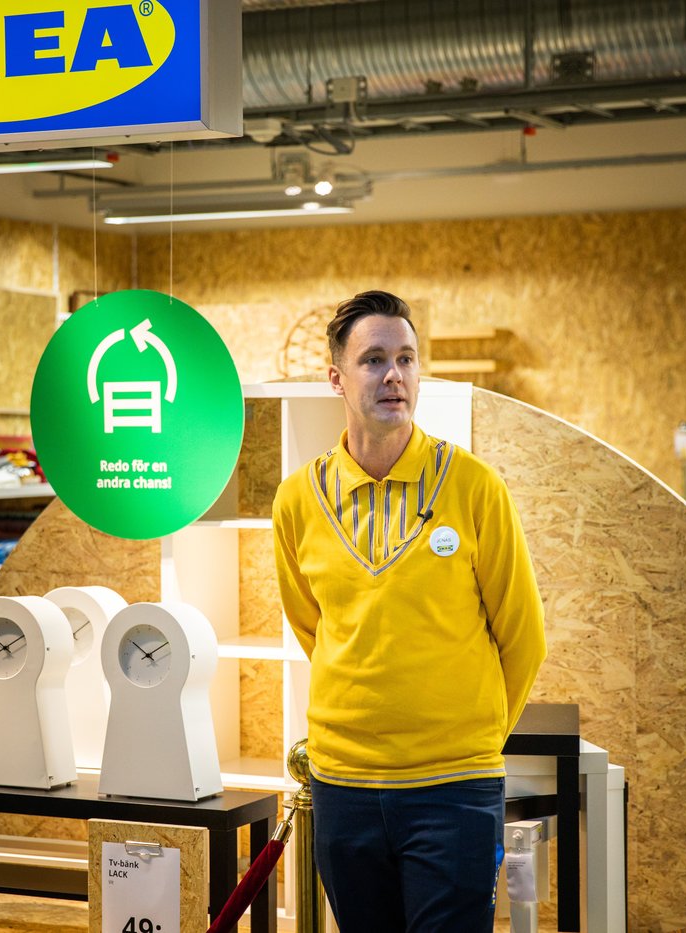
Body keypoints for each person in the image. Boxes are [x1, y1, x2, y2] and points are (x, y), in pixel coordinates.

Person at [271, 290, 546, 932]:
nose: (393, 375)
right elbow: (314, 626)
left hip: (454, 789)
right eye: (373, 360)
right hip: (343, 786)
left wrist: (468, 740)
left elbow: (523, 637)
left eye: (406, 359)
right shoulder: (297, 500)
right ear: (336, 378)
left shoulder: (475, 487)